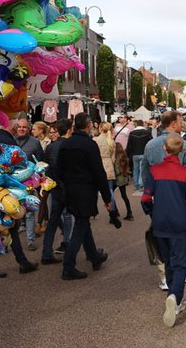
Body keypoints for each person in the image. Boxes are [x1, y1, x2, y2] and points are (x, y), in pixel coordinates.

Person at [142, 135, 186, 327]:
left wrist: (151, 213)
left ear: (165, 148)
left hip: (159, 222)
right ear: (181, 150)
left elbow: (145, 199)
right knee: (180, 263)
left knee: (167, 261)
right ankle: (175, 296)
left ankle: (172, 296)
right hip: (178, 222)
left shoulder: (155, 171)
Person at [141, 111, 186, 289]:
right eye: (180, 120)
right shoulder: (185, 145)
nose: (182, 123)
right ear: (174, 123)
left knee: (159, 233)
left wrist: (149, 193)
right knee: (184, 232)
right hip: (179, 195)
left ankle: (164, 275)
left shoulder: (150, 144)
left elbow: (145, 170)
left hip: (157, 194)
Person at [0, 125, 39, 278]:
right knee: (3, 227)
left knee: (9, 227)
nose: (19, 127)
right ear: (10, 125)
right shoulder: (7, 141)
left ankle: (21, 262)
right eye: (17, 124)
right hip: (5, 191)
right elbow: (15, 166)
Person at [56, 113, 112, 280]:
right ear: (88, 125)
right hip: (85, 190)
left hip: (70, 189)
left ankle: (94, 255)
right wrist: (106, 196)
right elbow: (98, 172)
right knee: (80, 225)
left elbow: (59, 169)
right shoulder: (89, 145)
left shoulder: (66, 144)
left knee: (83, 221)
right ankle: (68, 265)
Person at [40, 119, 73, 264]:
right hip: (67, 187)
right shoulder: (68, 146)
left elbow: (46, 168)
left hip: (55, 188)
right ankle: (70, 246)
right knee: (77, 218)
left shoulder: (50, 148)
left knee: (53, 220)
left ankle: (47, 252)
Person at [13, 117, 43, 251]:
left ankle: (30, 240)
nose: (21, 129)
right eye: (19, 126)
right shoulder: (11, 141)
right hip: (12, 182)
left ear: (29, 129)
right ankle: (10, 241)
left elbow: (40, 161)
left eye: (24, 127)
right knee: (12, 211)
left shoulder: (35, 143)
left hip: (29, 183)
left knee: (30, 212)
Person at [95, 122, 122, 220]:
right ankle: (113, 212)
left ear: (101, 128)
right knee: (110, 191)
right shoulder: (112, 141)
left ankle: (96, 210)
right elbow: (113, 157)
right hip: (109, 165)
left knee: (97, 190)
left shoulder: (96, 140)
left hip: (100, 166)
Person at [126, 119, 152, 191]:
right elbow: (150, 143)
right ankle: (141, 184)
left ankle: (136, 184)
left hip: (135, 153)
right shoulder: (147, 132)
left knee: (135, 169)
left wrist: (128, 154)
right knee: (142, 169)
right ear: (143, 124)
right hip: (144, 153)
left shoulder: (132, 133)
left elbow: (129, 144)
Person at [112, 138, 134, 220]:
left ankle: (116, 211)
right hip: (123, 179)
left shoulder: (116, 158)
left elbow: (117, 170)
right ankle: (129, 212)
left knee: (111, 195)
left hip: (117, 179)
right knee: (124, 196)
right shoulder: (124, 156)